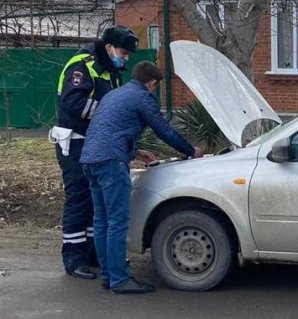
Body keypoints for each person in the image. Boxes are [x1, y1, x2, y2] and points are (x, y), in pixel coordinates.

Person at [81, 61, 203, 294]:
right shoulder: (142, 97)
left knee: (102, 221)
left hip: (90, 160)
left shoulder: (114, 95)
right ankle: (119, 280)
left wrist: (135, 152)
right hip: (111, 163)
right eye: (156, 86)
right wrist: (191, 151)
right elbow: (163, 129)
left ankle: (108, 276)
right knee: (117, 222)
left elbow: (108, 129)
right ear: (152, 83)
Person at [50, 25, 139, 280]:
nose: (126, 57)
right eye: (123, 52)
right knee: (78, 197)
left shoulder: (111, 72)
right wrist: (108, 113)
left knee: (93, 201)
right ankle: (74, 258)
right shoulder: (83, 65)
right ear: (109, 47)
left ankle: (91, 253)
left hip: (95, 142)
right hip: (75, 140)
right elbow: (73, 102)